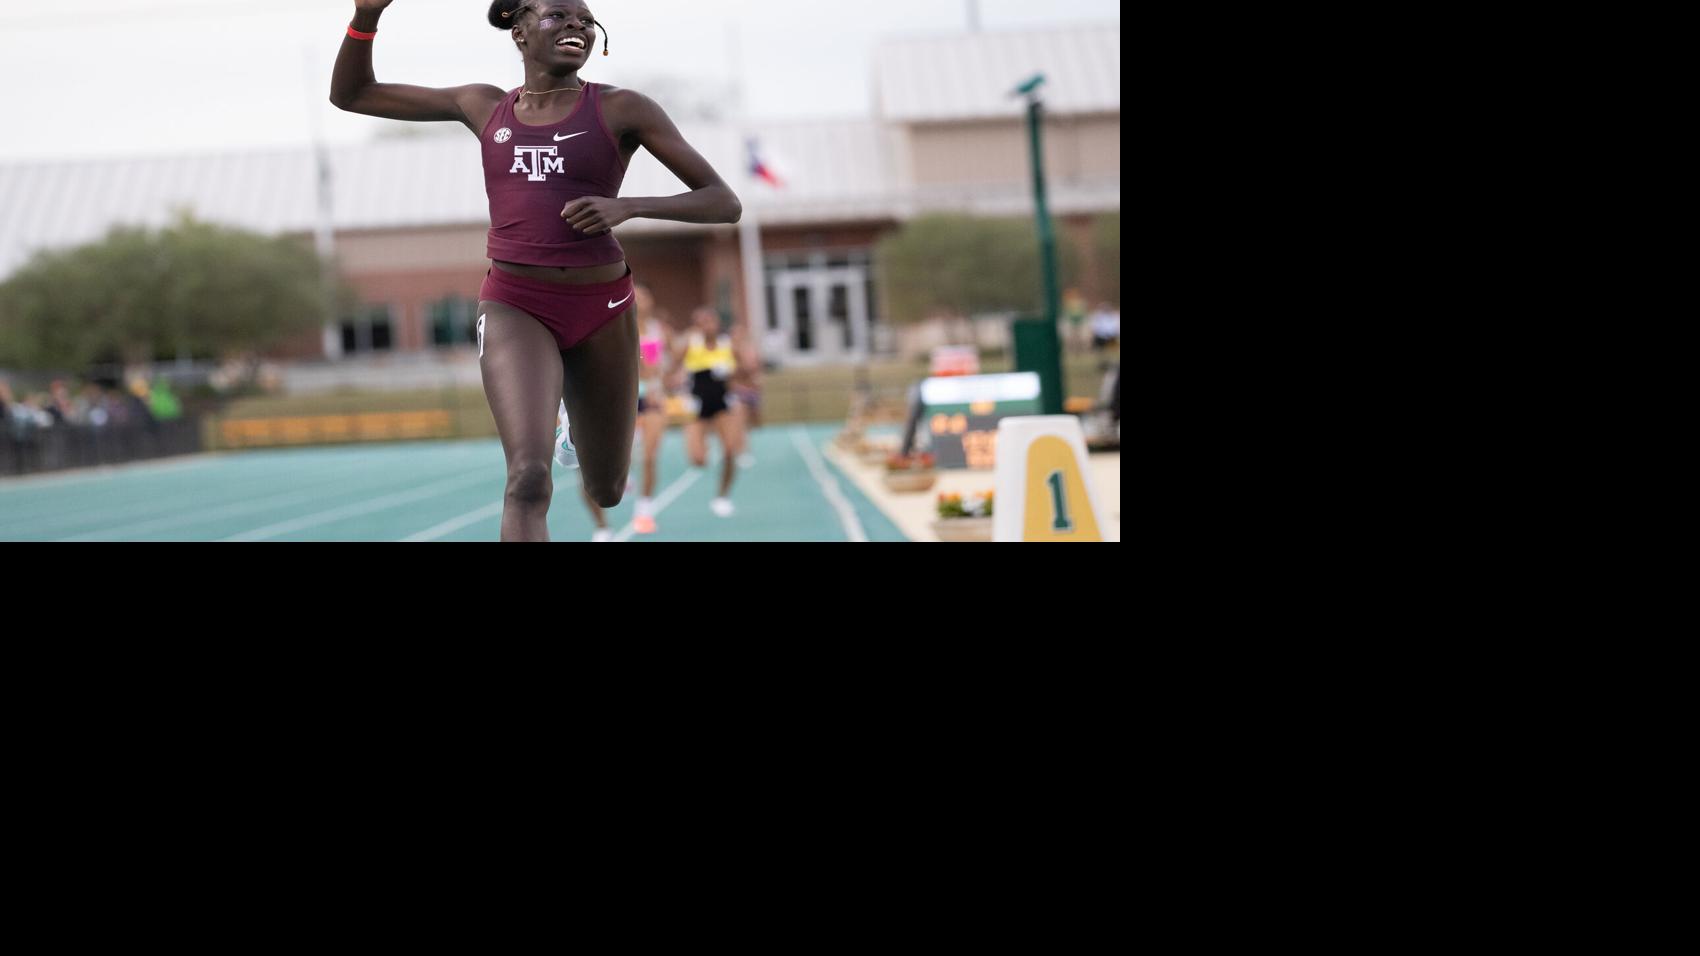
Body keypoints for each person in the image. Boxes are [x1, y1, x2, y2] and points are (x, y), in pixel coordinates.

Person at [331, 0, 740, 542]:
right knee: (527, 477)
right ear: (519, 32)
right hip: (514, 303)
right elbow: (352, 95)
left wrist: (629, 206)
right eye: (558, 16)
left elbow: (722, 201)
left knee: (608, 489)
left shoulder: (622, 109)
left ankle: (574, 421)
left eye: (585, 20)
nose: (576, 25)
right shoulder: (483, 105)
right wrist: (366, 17)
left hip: (602, 308)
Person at [577, 283, 671, 539]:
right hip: (619, 398)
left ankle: (644, 510)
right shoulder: (613, 328)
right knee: (608, 462)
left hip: (650, 398)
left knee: (650, 455)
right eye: (634, 295)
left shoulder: (657, 331)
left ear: (651, 302)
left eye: (643, 295)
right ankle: (603, 525)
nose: (639, 299)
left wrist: (668, 378)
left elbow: (659, 366)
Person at [673, 307, 744, 518]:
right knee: (698, 460)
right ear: (696, 326)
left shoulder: (727, 344)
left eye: (710, 321)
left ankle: (722, 496)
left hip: (723, 401)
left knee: (731, 451)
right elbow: (671, 367)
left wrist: (732, 372)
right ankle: (701, 445)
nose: (707, 326)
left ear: (717, 323)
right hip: (698, 403)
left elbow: (743, 368)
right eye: (701, 322)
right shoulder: (690, 345)